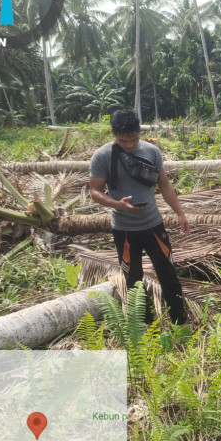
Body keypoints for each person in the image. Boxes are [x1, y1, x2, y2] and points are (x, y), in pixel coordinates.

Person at [89, 108, 189, 324]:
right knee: (133, 280)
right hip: (124, 230)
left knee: (168, 275)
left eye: (134, 139)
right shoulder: (102, 156)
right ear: (113, 134)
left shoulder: (152, 151)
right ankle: (146, 327)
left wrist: (180, 213)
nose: (130, 145)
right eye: (124, 141)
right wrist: (118, 205)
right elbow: (94, 191)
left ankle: (180, 323)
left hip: (153, 225)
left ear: (139, 132)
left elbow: (164, 184)